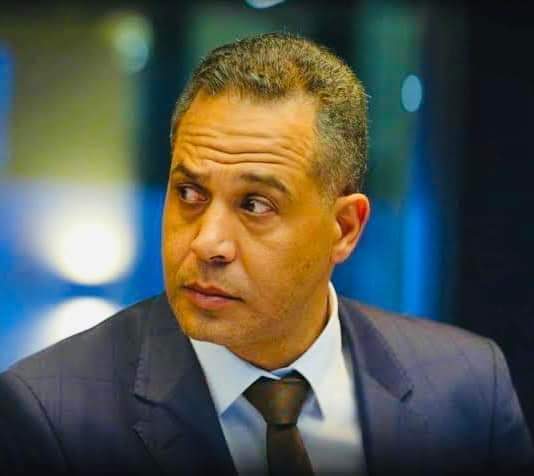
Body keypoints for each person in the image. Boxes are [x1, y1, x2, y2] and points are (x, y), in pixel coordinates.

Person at [0, 32, 532, 476]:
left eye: (255, 204)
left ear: (344, 228)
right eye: (189, 193)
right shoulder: (51, 414)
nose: (207, 243)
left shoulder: (467, 384)